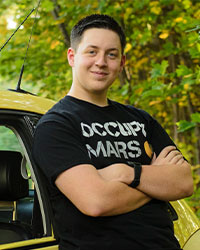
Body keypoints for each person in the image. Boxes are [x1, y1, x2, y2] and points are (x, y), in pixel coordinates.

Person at [32, 14, 193, 250]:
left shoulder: (141, 120)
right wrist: (156, 182)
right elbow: (96, 201)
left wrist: (126, 172)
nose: (101, 62)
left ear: (122, 61)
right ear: (72, 57)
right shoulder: (55, 126)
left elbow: (184, 183)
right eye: (92, 52)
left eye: (111, 54)